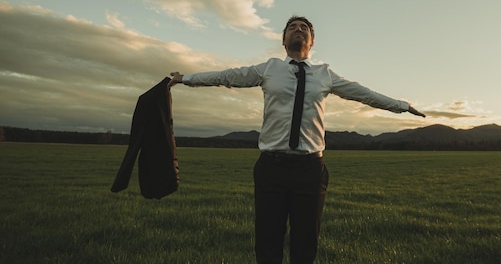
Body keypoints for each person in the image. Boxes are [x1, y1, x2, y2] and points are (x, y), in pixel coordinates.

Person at [169, 15, 425, 264]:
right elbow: (228, 76)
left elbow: (364, 94)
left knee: (306, 243)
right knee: (268, 241)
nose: (299, 29)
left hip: (310, 170)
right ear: (283, 40)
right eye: (292, 27)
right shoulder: (269, 68)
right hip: (271, 168)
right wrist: (187, 79)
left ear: (312, 42)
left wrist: (402, 106)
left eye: (304, 28)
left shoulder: (325, 74)